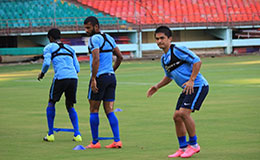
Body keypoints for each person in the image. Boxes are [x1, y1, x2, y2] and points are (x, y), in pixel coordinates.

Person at [147, 26, 209, 158]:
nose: (159, 41)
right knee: (176, 117)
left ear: (170, 38)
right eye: (157, 39)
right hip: (187, 88)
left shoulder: (178, 50)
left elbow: (197, 61)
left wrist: (192, 80)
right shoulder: (164, 59)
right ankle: (182, 147)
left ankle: (194, 145)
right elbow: (169, 76)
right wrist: (157, 86)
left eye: (162, 38)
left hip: (198, 86)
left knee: (184, 113)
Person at [83, 16, 123, 149]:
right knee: (109, 110)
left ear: (96, 26)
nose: (86, 30)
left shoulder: (94, 39)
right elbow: (120, 57)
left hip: (99, 77)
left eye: (88, 28)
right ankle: (117, 140)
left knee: (94, 109)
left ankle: (95, 142)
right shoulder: (109, 38)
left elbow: (96, 59)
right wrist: (112, 70)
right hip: (111, 77)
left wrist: (93, 78)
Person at [38, 28, 82, 142]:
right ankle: (77, 134)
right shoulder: (70, 48)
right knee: (70, 105)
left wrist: (42, 73)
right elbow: (77, 68)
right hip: (73, 78)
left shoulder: (49, 47)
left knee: (51, 102)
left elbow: (47, 63)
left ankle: (50, 134)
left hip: (60, 77)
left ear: (50, 38)